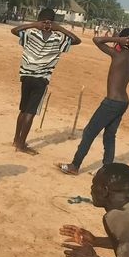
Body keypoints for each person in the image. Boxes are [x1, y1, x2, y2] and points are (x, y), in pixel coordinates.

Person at [57, 29, 129, 174]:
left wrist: (120, 40)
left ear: (122, 40)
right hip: (123, 102)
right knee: (109, 136)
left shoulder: (117, 55)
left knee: (89, 133)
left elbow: (97, 40)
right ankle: (107, 169)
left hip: (112, 102)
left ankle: (75, 166)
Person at [11, 8, 82, 154]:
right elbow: (77, 40)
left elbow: (15, 30)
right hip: (41, 79)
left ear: (39, 20)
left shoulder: (31, 34)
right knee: (30, 112)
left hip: (26, 76)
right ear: (53, 21)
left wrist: (33, 25)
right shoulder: (57, 38)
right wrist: (59, 28)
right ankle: (22, 144)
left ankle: (16, 139)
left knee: (23, 109)